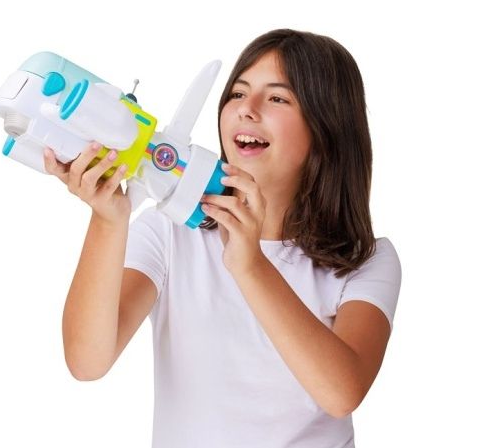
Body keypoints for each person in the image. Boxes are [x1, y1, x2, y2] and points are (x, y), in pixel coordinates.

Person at [42, 28, 401, 448]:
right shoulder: (170, 232)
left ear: (326, 128)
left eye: (277, 98)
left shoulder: (368, 260)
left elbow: (341, 393)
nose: (247, 109)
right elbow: (87, 362)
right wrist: (108, 222)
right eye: (237, 93)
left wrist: (250, 265)